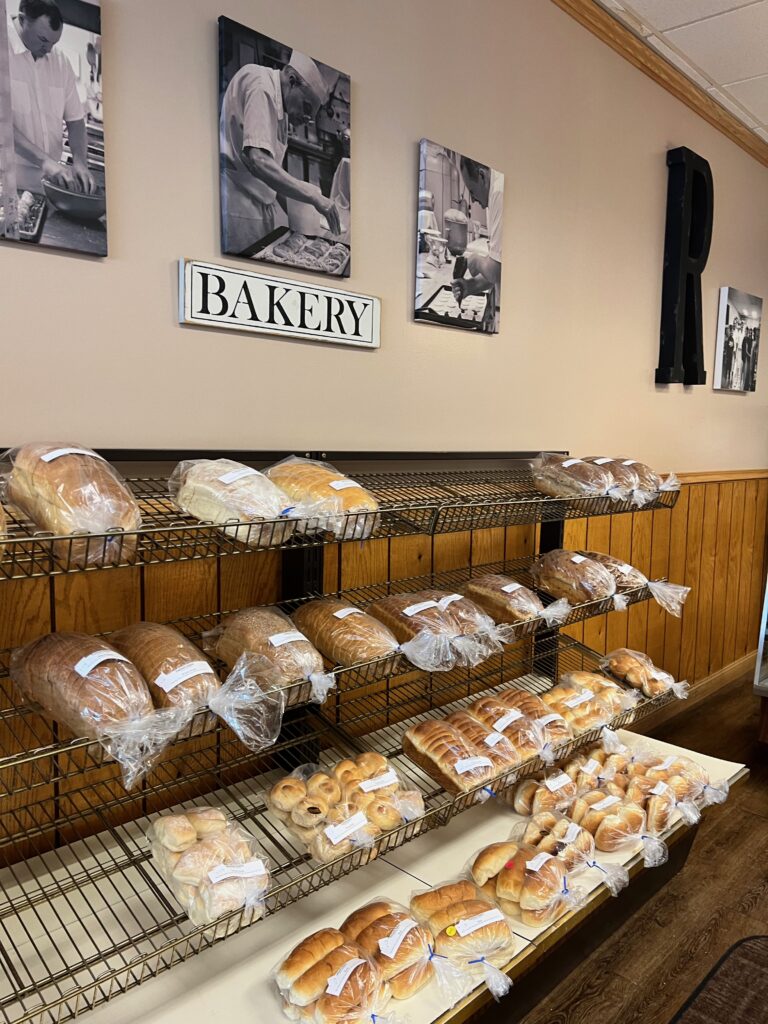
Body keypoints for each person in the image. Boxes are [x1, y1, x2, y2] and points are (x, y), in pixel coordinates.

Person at [220, 49, 341, 255]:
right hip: (240, 206)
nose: (308, 119)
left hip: (259, 207)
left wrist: (306, 220)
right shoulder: (260, 85)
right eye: (306, 107)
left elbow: (273, 171)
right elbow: (258, 160)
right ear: (292, 80)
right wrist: (313, 196)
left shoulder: (281, 107)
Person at [8, 0, 95, 194]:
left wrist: (80, 162)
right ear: (22, 20)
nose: (48, 50)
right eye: (43, 40)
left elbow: (75, 120)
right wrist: (44, 160)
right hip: (7, 184)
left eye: (54, 43)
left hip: (47, 185)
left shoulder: (60, 62)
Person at [451, 156, 504, 326]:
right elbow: (499, 269)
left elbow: (495, 270)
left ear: (482, 176)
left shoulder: (499, 192)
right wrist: (470, 286)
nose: (473, 200)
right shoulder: (492, 198)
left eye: (472, 192)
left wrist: (477, 261)